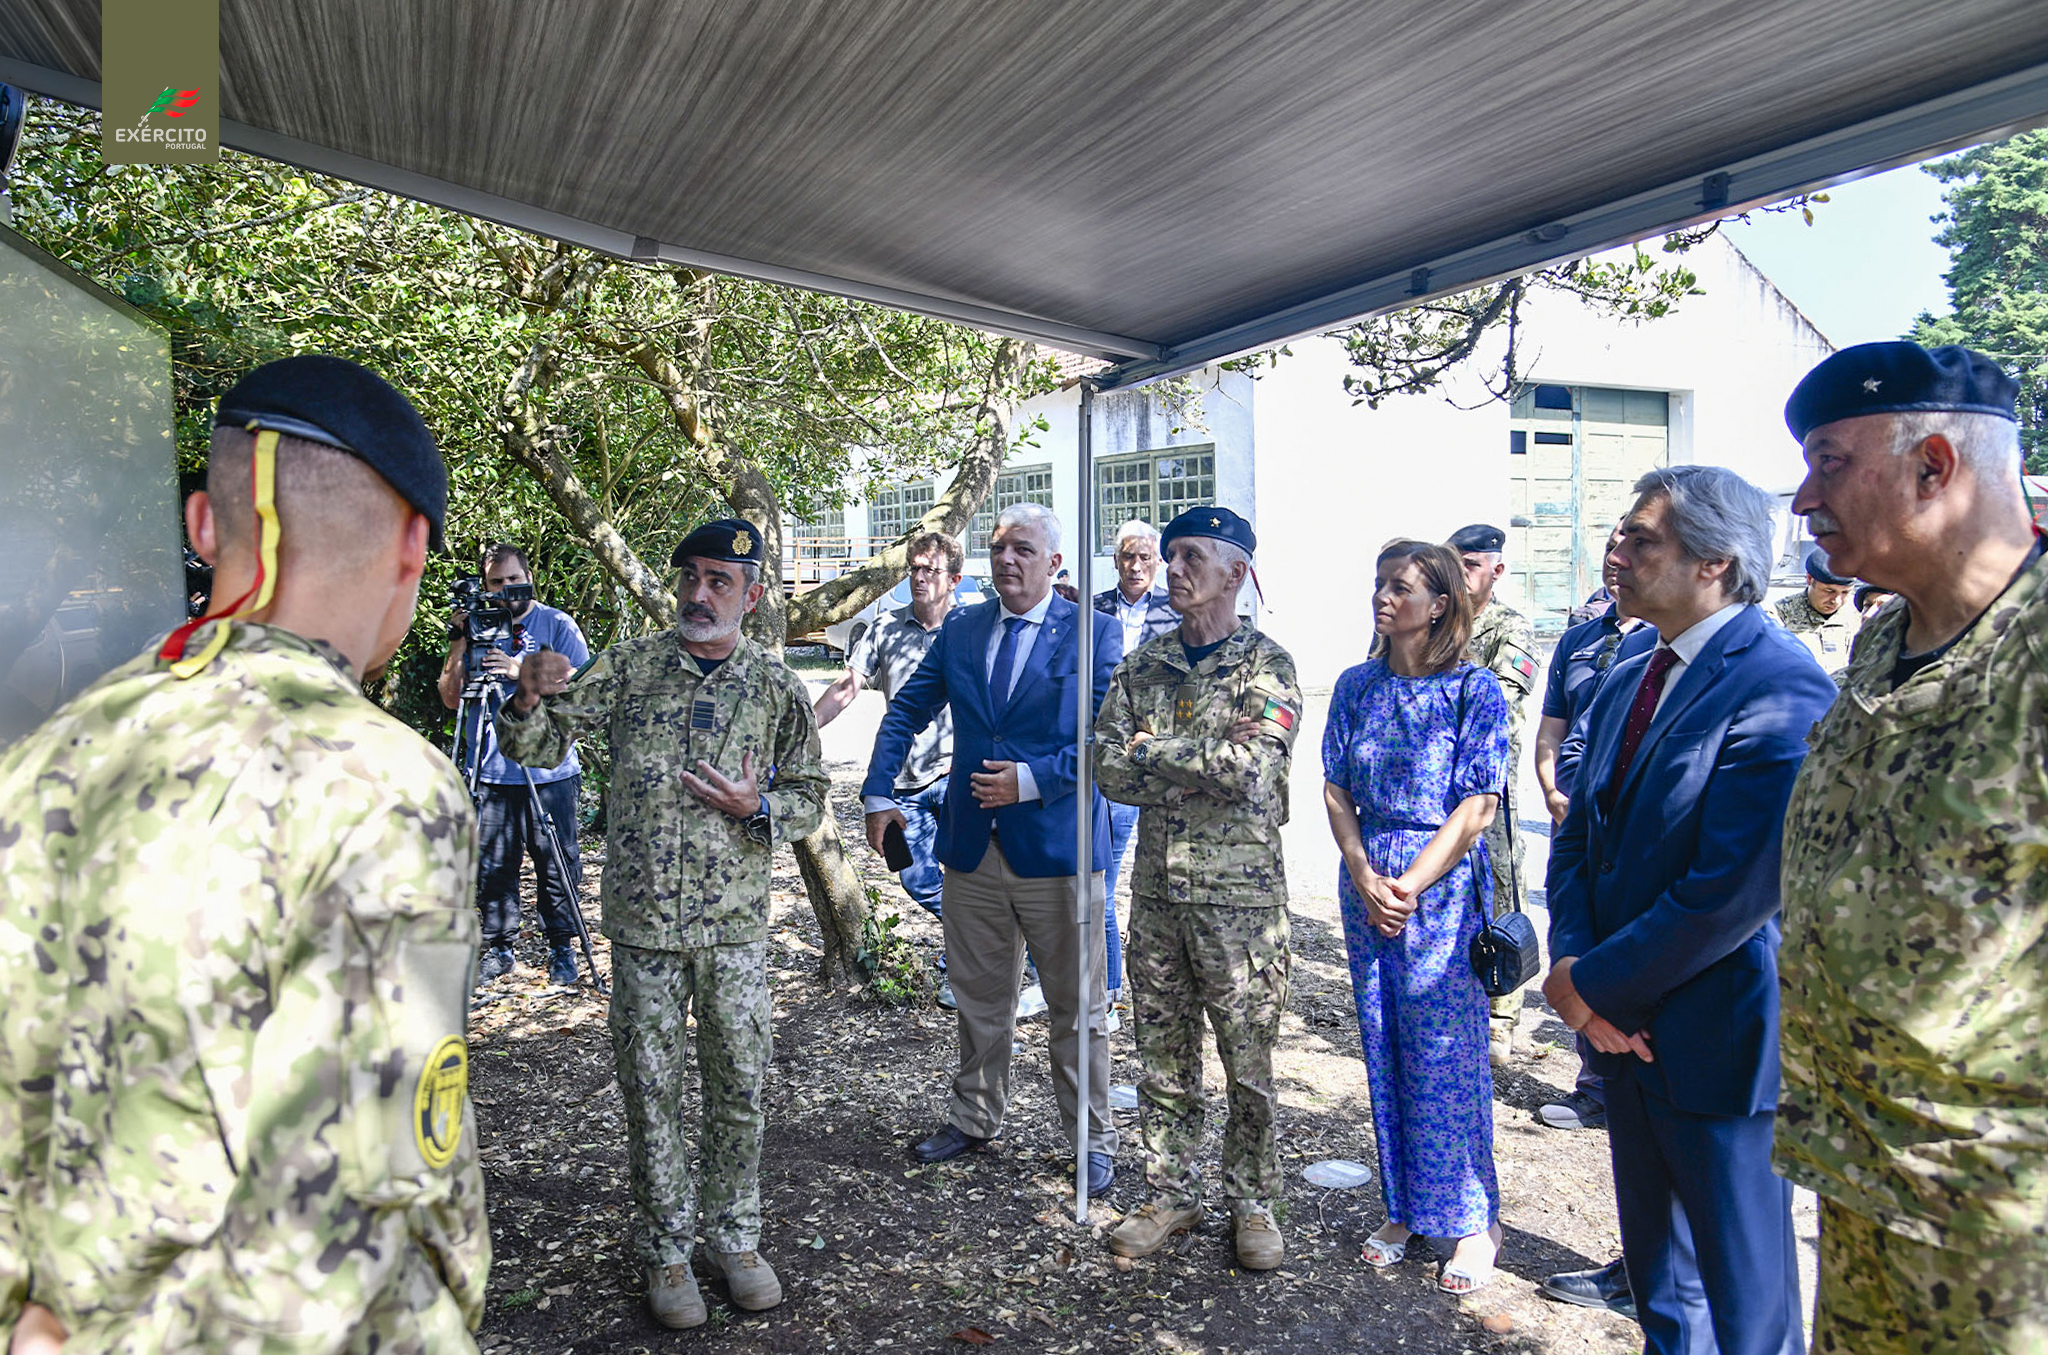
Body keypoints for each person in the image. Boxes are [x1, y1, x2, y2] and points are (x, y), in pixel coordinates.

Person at [0, 355, 489, 1348]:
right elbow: (353, 1211)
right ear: (412, 544)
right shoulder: (384, 784)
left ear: (202, 524)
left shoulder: (47, 755)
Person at [1776, 342, 2048, 1353]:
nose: (1804, 499)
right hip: (1860, 1174)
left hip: (2002, 1223)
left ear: (1934, 465)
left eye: (1830, 463)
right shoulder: (1882, 644)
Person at [500, 518, 828, 1330]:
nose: (698, 594)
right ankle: (666, 1251)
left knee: (738, 1087)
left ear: (752, 595)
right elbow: (538, 746)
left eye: (719, 581)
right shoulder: (631, 666)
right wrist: (527, 693)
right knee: (650, 1093)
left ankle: (736, 1239)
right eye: (690, 577)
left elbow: (812, 793)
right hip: (645, 925)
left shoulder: (775, 685)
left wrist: (758, 806)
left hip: (734, 931)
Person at [1543, 465, 1836, 1355]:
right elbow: (1580, 832)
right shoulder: (1632, 665)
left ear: (1715, 561)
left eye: (1642, 538)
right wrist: (1576, 974)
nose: (1617, 553)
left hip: (1717, 1039)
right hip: (1620, 1034)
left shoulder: (1782, 684)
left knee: (1745, 1306)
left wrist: (1594, 986)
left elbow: (1732, 889)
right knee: (1664, 1293)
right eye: (1621, 534)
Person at [862, 503, 1123, 1194]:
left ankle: (1090, 1138)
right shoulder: (963, 627)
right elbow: (907, 708)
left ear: (1055, 563)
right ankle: (974, 1116)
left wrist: (1030, 781)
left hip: (1060, 851)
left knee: (1077, 1008)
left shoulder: (1097, 633)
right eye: (999, 546)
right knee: (979, 998)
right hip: (973, 849)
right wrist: (878, 790)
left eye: (1023, 549)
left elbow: (1108, 739)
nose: (1007, 558)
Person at [1094, 507, 1301, 1271]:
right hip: (1158, 895)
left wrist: (1154, 748)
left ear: (1235, 573)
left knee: (1249, 1064)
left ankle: (1253, 1200)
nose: (1173, 568)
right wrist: (1196, 759)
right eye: (1170, 555)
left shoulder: (1265, 666)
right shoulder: (1145, 664)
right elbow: (1106, 766)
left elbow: (1254, 773)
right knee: (1162, 1055)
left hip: (1241, 904)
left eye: (1190, 557)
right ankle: (1170, 1192)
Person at [1326, 539, 1509, 1294]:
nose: (1383, 596)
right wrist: (1364, 872)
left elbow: (1478, 807)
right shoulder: (1356, 685)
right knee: (1382, 1041)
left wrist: (1406, 884)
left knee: (1445, 1052)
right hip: (1367, 879)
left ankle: (1473, 1222)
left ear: (1439, 604)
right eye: (1380, 583)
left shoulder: (1475, 690)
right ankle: (1404, 1207)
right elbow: (1337, 787)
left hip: (1439, 888)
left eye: (1400, 587)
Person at [815, 531, 968, 1008]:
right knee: (915, 877)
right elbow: (847, 686)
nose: (919, 578)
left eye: (930, 570)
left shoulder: (970, 626)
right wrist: (805, 729)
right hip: (905, 780)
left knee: (970, 874)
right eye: (914, 568)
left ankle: (965, 963)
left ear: (954, 579)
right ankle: (978, 938)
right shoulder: (885, 627)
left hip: (960, 775)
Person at [437, 542, 592, 986]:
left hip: (550, 768)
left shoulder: (556, 624)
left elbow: (583, 687)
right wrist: (458, 641)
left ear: (529, 578)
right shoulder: (476, 626)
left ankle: (561, 946)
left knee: (556, 860)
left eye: (513, 579)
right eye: (496, 582)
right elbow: (450, 699)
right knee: (494, 865)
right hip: (491, 768)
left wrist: (518, 671)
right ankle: (499, 947)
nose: (506, 589)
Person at [1446, 523, 1538, 1065]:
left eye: (1471, 565)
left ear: (1496, 570)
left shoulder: (1511, 628)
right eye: (1453, 563)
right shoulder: (1434, 619)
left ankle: (1501, 1016)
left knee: (1499, 886)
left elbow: (1497, 704)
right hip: (1433, 785)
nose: (1460, 575)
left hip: (1489, 785)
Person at [1093, 517, 1182, 1010]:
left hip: (1145, 759)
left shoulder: (1176, 613)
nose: (1135, 566)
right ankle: (1100, 987)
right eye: (1127, 556)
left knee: (1104, 883)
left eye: (1144, 557)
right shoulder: (1092, 608)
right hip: (1097, 753)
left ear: (1158, 562)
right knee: (1092, 880)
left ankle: (1108, 991)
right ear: (1115, 561)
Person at [1773, 547, 1860, 675]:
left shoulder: (1859, 614)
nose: (1836, 601)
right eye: (1829, 591)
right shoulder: (1779, 615)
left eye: (1845, 592)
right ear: (1809, 579)